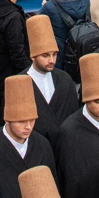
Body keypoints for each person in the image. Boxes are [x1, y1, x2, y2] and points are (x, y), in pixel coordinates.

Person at [24, 15, 80, 147]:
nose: (51, 60)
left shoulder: (65, 80)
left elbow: (74, 117)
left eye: (54, 54)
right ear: (33, 56)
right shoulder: (21, 84)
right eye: (45, 55)